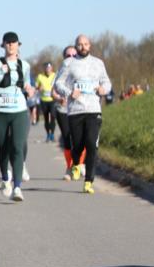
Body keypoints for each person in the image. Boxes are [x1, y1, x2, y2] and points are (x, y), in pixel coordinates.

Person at [0, 32, 35, 202]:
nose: (11, 46)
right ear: (3, 45)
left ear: (18, 45)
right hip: (0, 112)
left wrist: (30, 89)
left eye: (13, 43)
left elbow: (28, 86)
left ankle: (17, 187)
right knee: (3, 149)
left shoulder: (24, 65)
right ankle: (5, 178)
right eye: (7, 43)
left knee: (18, 147)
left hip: (19, 111)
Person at [54, 34, 112, 194]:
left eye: (85, 44)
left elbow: (106, 82)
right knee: (78, 144)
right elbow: (58, 83)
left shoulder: (98, 63)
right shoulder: (68, 63)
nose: (83, 47)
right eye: (80, 44)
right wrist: (69, 92)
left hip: (93, 109)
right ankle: (76, 165)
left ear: (90, 45)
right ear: (76, 46)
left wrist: (103, 89)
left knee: (92, 144)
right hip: (76, 110)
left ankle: (89, 182)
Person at [52, 45, 85, 179]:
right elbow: (53, 92)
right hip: (63, 110)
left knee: (80, 138)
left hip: (79, 109)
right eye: (68, 55)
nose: (71, 57)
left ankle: (79, 165)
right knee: (67, 137)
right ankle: (69, 167)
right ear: (64, 58)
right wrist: (60, 99)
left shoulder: (83, 71)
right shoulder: (60, 72)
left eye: (74, 55)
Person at [35, 62, 57, 142]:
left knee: (53, 117)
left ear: (52, 68)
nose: (48, 69)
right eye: (46, 68)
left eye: (49, 67)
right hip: (44, 100)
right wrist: (39, 88)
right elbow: (36, 86)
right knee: (46, 118)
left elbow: (58, 85)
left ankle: (52, 134)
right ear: (44, 68)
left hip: (52, 100)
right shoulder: (40, 76)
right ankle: (48, 134)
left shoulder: (55, 75)